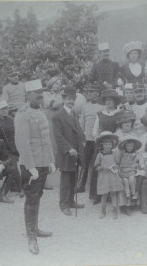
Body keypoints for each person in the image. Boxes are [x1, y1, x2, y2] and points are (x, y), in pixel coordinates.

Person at [15, 79, 56, 255]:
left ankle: (35, 228)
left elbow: (47, 139)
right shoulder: (23, 115)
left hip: (43, 162)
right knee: (31, 199)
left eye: (41, 91)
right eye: (36, 92)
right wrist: (30, 166)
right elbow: (22, 143)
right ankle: (31, 236)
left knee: (37, 195)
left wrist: (51, 160)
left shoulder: (40, 112)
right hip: (31, 165)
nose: (40, 95)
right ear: (28, 94)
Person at [52, 85, 86, 216]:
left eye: (73, 99)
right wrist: (69, 148)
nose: (71, 101)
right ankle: (64, 204)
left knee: (74, 177)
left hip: (77, 151)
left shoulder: (74, 113)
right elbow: (58, 136)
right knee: (66, 179)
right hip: (67, 153)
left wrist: (83, 138)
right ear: (63, 99)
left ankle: (71, 201)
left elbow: (78, 129)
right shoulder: (58, 116)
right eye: (69, 99)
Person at [76, 83, 104, 193]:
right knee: (84, 163)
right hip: (87, 140)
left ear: (98, 93)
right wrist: (82, 138)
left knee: (98, 164)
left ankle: (96, 188)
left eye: (92, 91)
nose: (89, 94)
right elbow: (81, 124)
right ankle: (81, 185)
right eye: (88, 92)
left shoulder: (102, 107)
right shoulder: (85, 107)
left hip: (98, 140)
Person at [0, 100, 23, 197]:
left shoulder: (13, 120)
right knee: (13, 167)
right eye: (2, 109)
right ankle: (20, 189)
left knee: (16, 167)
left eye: (6, 108)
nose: (5, 111)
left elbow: (19, 133)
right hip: (4, 149)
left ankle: (18, 187)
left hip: (15, 147)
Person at [94, 131, 124, 219]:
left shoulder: (114, 154)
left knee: (113, 193)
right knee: (104, 194)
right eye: (106, 144)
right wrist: (102, 167)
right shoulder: (100, 155)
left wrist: (116, 167)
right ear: (102, 145)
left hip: (113, 177)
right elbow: (96, 167)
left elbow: (117, 163)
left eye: (109, 144)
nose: (108, 146)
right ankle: (103, 211)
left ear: (112, 145)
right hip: (104, 177)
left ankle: (115, 210)